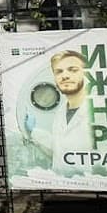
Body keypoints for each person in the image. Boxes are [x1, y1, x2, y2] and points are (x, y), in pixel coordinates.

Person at [23, 49, 97, 177]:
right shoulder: (61, 112)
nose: (65, 76)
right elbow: (59, 149)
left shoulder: (98, 108)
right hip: (64, 182)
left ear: (87, 74)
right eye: (58, 72)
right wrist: (33, 132)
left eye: (72, 70)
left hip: (95, 181)